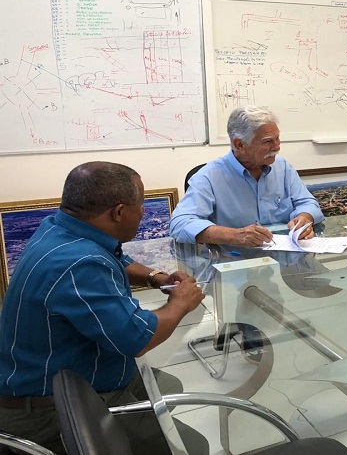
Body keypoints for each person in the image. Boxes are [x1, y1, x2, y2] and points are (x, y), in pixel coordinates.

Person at [0, 162, 207, 455]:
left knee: (167, 385)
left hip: (55, 372)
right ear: (119, 212)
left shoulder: (60, 227)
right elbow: (138, 339)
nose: (144, 211)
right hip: (49, 403)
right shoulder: (81, 264)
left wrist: (155, 278)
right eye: (141, 205)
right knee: (193, 447)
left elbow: (115, 258)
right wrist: (181, 302)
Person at [169, 105, 324, 247]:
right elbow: (180, 224)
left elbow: (308, 202)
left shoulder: (282, 168)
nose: (277, 146)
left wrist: (305, 217)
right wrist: (233, 235)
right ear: (240, 145)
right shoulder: (209, 177)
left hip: (286, 258)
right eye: (268, 141)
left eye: (277, 138)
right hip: (233, 261)